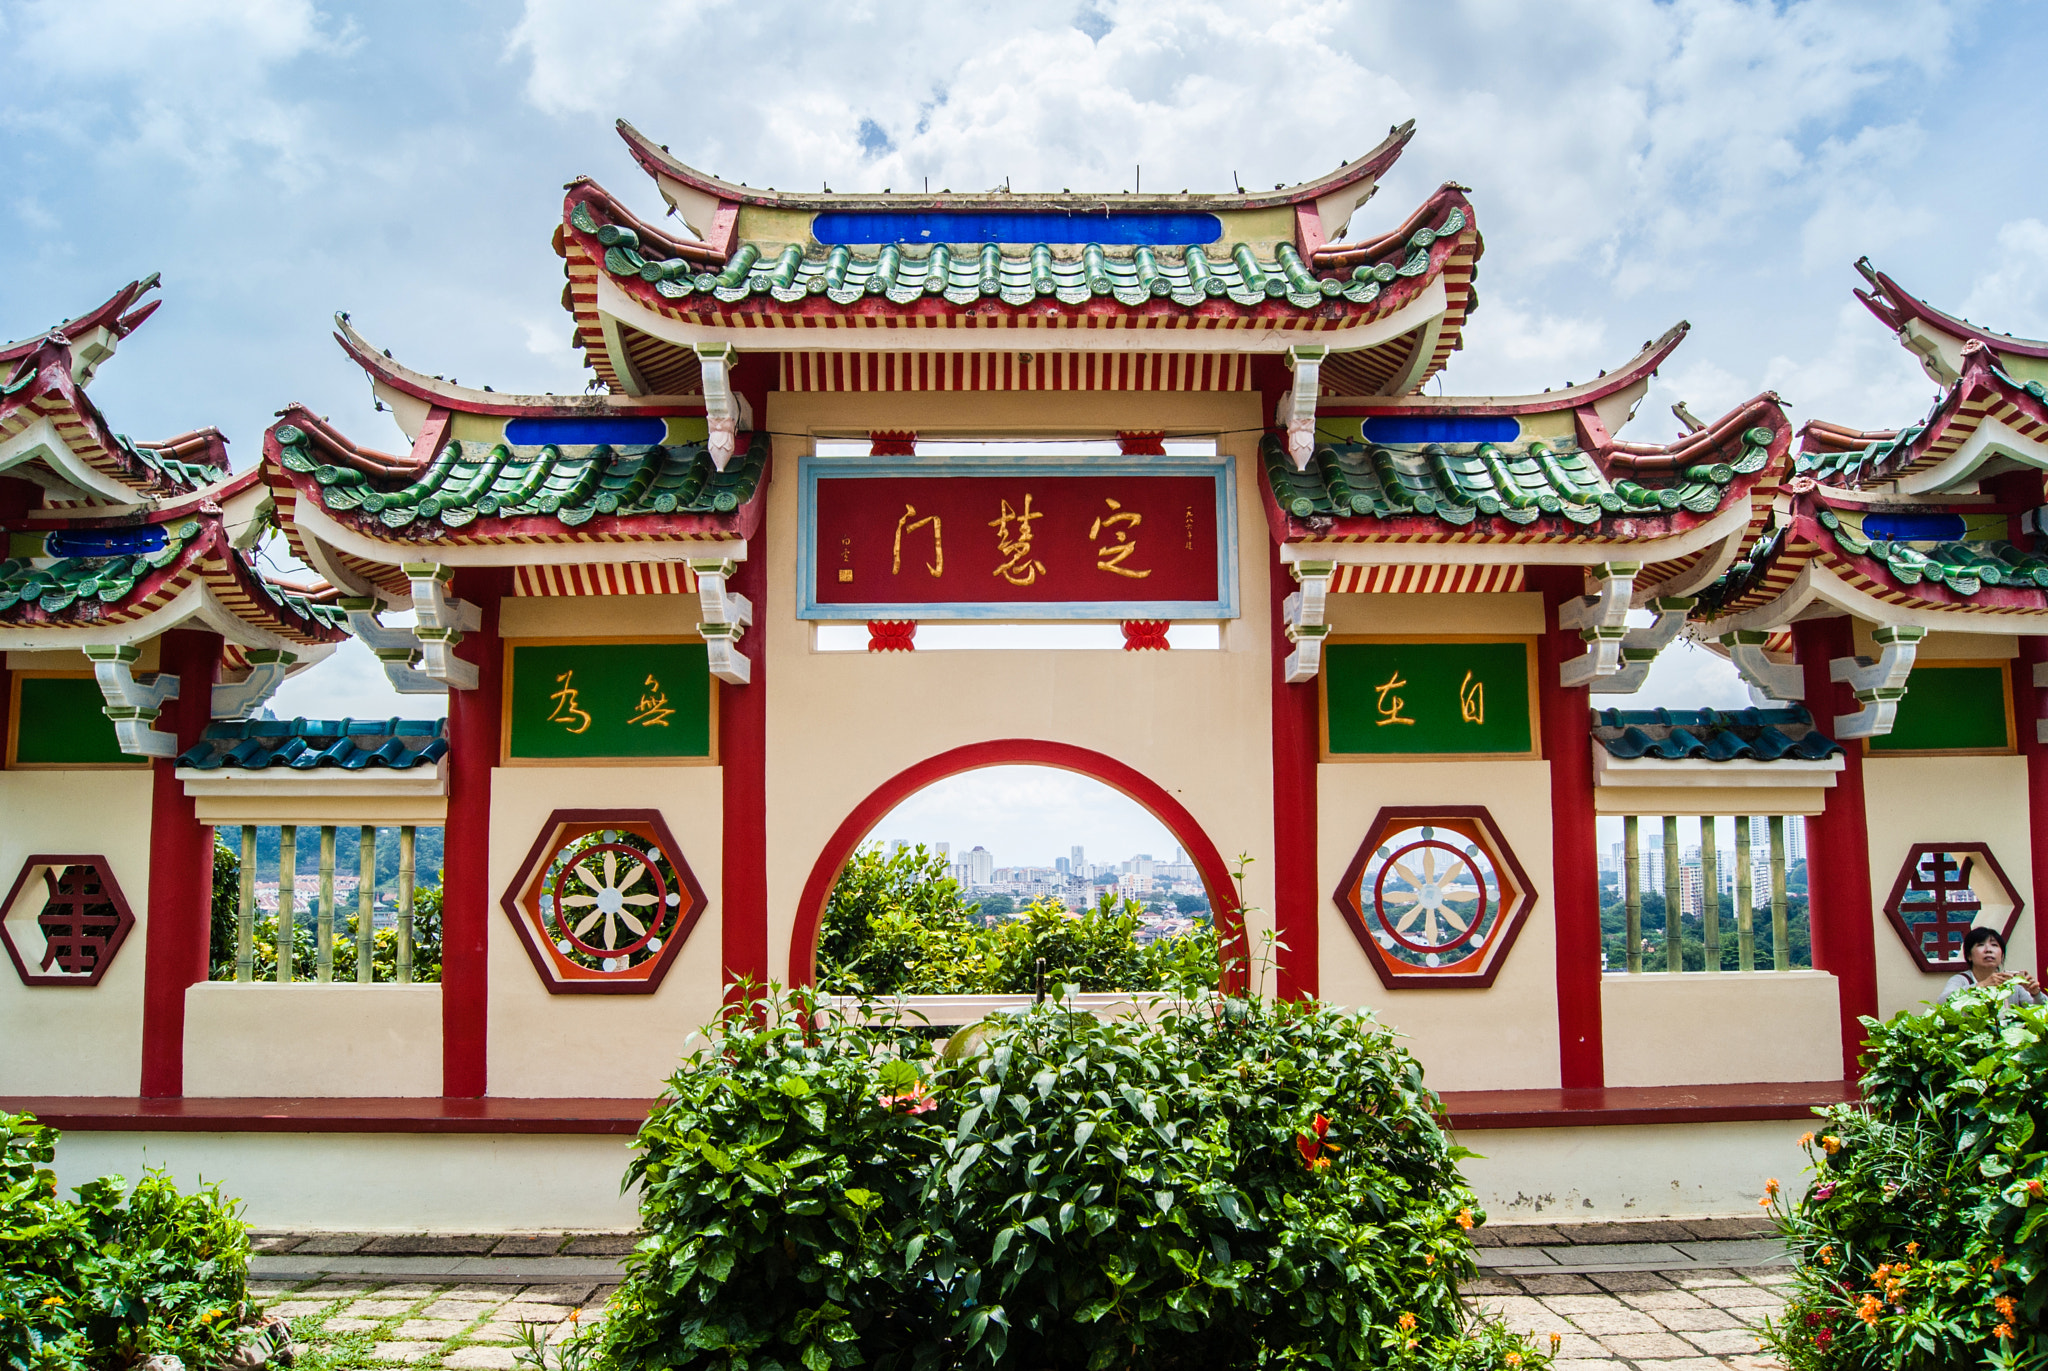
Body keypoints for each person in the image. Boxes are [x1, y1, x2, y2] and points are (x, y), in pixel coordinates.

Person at [1944, 927, 2047, 1006]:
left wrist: (2036, 993)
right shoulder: (1961, 980)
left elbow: (2039, 1011)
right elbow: (1943, 1001)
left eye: (1994, 945)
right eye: (1980, 945)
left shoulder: (2012, 983)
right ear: (1969, 956)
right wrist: (1982, 985)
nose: (1988, 950)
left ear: (2001, 955)